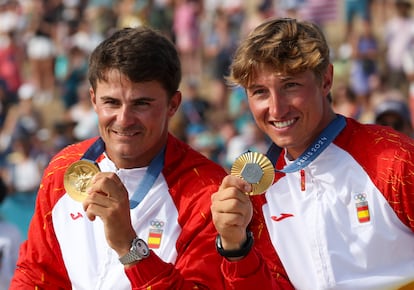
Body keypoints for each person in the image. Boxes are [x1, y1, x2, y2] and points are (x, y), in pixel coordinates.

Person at [11, 26, 228, 289]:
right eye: (111, 102)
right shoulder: (64, 168)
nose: (124, 120)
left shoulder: (208, 191)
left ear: (173, 104)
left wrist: (129, 245)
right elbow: (36, 273)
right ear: (93, 100)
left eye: (142, 104)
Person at [210, 18, 414, 289]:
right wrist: (236, 247)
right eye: (260, 92)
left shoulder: (394, 159)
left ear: (326, 80)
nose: (277, 109)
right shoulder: (259, 192)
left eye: (290, 86)